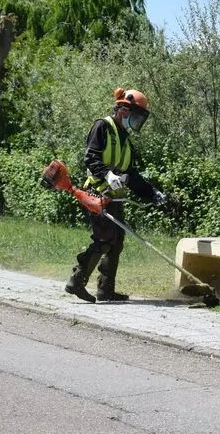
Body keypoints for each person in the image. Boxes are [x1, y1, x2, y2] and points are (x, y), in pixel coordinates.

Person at [65, 88, 166, 303]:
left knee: (117, 241)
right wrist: (108, 175)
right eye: (136, 116)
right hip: (97, 194)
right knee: (105, 239)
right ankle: (76, 281)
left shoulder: (126, 141)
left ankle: (106, 290)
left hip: (116, 198)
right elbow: (90, 158)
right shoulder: (102, 127)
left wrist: (152, 193)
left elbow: (131, 175)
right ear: (122, 110)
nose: (137, 122)